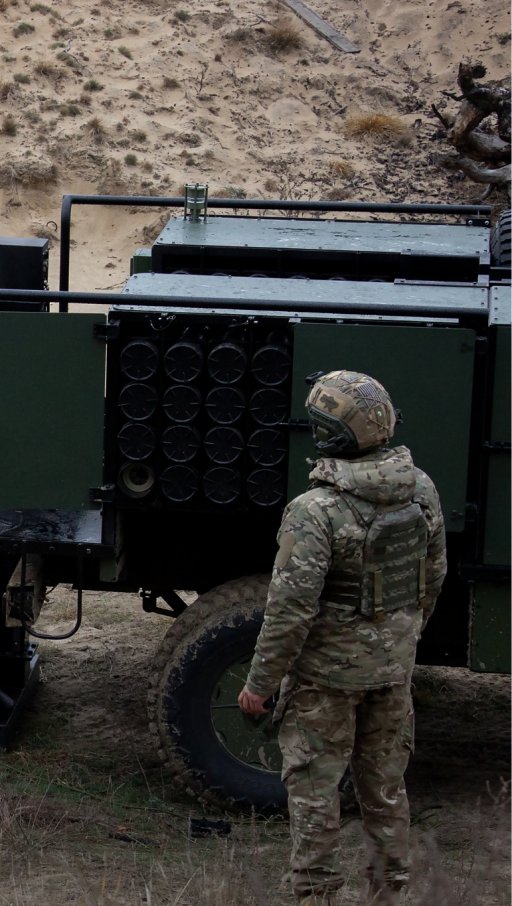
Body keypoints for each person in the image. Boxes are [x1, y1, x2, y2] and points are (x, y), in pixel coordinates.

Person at [237, 370, 446, 906]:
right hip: (392, 673)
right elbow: (433, 575)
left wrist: (259, 684)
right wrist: (401, 639)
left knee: (314, 792)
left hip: (325, 680)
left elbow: (290, 609)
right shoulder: (420, 488)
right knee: (385, 792)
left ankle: (316, 895)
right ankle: (391, 892)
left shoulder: (315, 511)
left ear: (328, 436)